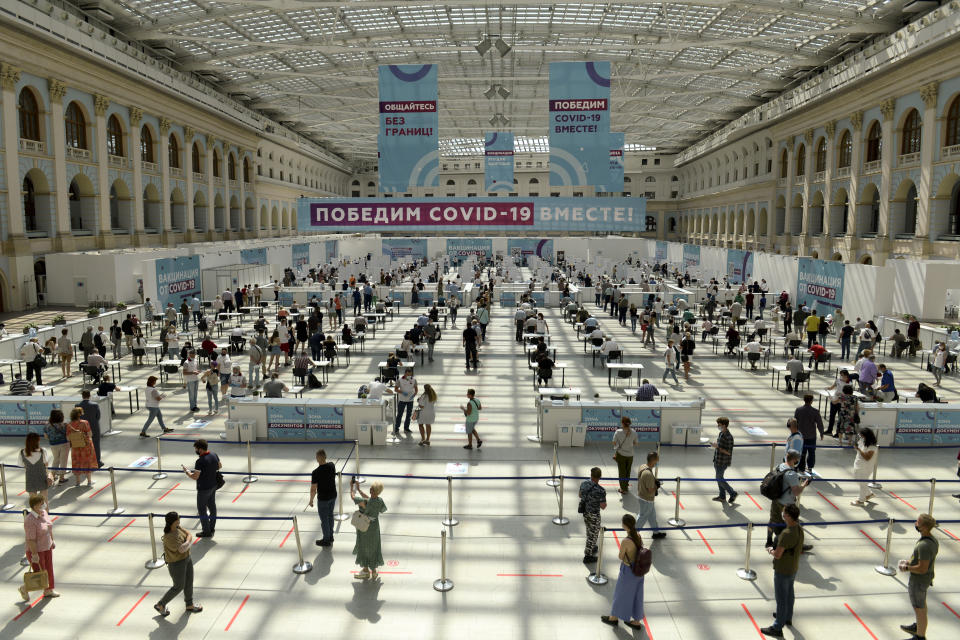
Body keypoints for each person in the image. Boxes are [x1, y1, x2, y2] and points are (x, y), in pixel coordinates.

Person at [760, 503, 804, 638]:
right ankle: (787, 617)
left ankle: (777, 626)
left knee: (781, 598)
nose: (783, 515)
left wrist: (770, 550)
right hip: (793, 567)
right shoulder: (799, 529)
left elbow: (778, 554)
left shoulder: (786, 534)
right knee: (790, 593)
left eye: (784, 513)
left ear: (789, 516)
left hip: (783, 569)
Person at [600, 514, 646, 630]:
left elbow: (621, 556)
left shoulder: (626, 541)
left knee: (620, 594)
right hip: (639, 571)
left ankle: (614, 618)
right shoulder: (638, 536)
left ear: (625, 525)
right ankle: (636, 621)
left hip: (628, 571)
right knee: (637, 595)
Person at [898, 513, 939, 640]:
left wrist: (906, 568)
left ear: (925, 527)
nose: (916, 524)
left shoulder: (924, 545)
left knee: (918, 608)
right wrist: (909, 562)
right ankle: (919, 626)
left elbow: (922, 568)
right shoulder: (932, 540)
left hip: (919, 581)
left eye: (918, 523)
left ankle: (920, 636)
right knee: (921, 606)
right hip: (925, 579)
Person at [153, 511, 201, 616]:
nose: (179, 521)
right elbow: (182, 549)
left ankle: (189, 604)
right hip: (177, 564)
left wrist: (188, 540)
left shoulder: (178, 528)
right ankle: (161, 604)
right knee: (178, 586)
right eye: (178, 519)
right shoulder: (169, 537)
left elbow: (188, 535)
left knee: (189, 582)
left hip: (187, 559)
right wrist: (189, 541)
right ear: (173, 521)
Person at [765, 452, 810, 548]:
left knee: (773, 520)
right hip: (786, 504)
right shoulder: (791, 474)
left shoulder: (780, 466)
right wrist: (804, 485)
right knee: (793, 524)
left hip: (775, 499)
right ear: (794, 460)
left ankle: (769, 540)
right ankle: (797, 546)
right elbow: (796, 492)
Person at [20, 494, 59, 601]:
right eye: (41, 504)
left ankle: (48, 590)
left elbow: (49, 528)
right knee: (39, 573)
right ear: (34, 506)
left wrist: (52, 540)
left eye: (43, 503)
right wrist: (34, 554)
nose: (43, 505)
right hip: (37, 550)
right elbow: (30, 539)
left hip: (47, 547)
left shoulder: (44, 513)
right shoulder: (30, 520)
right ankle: (25, 588)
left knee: (49, 569)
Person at [182, 439, 221, 538]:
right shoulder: (214, 454)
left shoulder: (200, 461)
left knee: (202, 509)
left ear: (200, 449)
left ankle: (206, 531)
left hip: (203, 488)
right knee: (212, 506)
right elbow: (219, 466)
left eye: (196, 448)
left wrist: (187, 472)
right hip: (214, 485)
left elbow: (195, 477)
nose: (195, 450)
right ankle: (212, 528)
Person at [350, 478, 386, 580]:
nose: (370, 490)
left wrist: (351, 487)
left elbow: (353, 497)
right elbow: (372, 501)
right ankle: (374, 571)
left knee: (364, 547)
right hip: (375, 528)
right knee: (374, 548)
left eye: (371, 489)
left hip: (365, 528)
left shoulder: (365, 503)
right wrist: (359, 490)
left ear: (373, 491)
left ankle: (366, 571)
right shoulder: (380, 501)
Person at [308, 449, 337, 547]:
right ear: (325, 457)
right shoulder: (332, 465)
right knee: (330, 516)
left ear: (318, 459)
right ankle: (331, 536)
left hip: (323, 499)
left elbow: (313, 489)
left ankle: (326, 539)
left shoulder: (315, 472)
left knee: (324, 519)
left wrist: (311, 500)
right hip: (333, 495)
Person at [578, 467, 607, 563]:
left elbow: (580, 495)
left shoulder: (584, 484)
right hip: (594, 514)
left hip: (585, 512)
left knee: (589, 530)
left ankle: (592, 547)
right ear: (600, 477)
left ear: (591, 475)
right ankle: (587, 556)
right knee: (593, 534)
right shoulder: (601, 491)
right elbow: (603, 506)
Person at [636, 451, 666, 539]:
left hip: (643, 496)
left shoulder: (643, 466)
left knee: (652, 516)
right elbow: (650, 490)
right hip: (647, 499)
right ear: (653, 461)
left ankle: (656, 533)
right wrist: (657, 486)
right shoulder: (648, 474)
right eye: (657, 461)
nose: (657, 463)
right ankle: (633, 535)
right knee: (642, 517)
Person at [794, 394, 824, 473]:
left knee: (801, 452)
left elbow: (795, 422)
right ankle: (810, 467)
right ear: (811, 401)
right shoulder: (815, 411)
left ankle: (801, 467)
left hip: (801, 435)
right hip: (811, 436)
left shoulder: (798, 410)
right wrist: (821, 433)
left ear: (804, 400)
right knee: (811, 452)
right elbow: (819, 423)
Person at [66, 407, 96, 487]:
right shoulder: (84, 422)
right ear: (79, 414)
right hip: (86, 446)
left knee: (77, 463)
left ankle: (78, 482)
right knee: (87, 462)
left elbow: (68, 438)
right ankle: (89, 481)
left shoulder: (69, 425)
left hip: (75, 447)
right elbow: (90, 434)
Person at [851, 427, 879, 505]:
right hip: (858, 464)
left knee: (862, 483)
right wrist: (857, 447)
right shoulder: (863, 441)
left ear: (867, 436)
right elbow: (858, 448)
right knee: (858, 480)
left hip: (865, 467)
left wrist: (859, 449)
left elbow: (867, 457)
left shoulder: (873, 447)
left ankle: (861, 500)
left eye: (862, 435)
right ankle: (869, 494)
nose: (861, 437)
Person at [712, 417, 737, 503]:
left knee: (719, 478)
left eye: (719, 424)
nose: (718, 426)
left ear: (724, 425)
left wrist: (717, 447)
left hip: (723, 462)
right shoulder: (721, 433)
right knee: (719, 478)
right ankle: (722, 496)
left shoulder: (728, 437)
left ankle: (732, 493)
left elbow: (729, 452)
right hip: (717, 460)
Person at [76, 390, 103, 468]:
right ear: (89, 395)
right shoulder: (95, 405)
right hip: (94, 427)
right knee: (96, 445)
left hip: (82, 429)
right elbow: (98, 416)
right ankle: (97, 462)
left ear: (82, 396)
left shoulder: (77, 405)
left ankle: (85, 462)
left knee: (84, 445)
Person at [20, 433, 50, 502]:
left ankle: (35, 513)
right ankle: (45, 513)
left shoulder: (22, 452)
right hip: (42, 477)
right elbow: (46, 463)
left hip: (30, 478)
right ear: (37, 441)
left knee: (33, 503)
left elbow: (21, 465)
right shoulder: (43, 451)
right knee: (44, 501)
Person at [611, 417, 638, 494]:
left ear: (622, 423)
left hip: (621, 455)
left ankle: (623, 489)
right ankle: (625, 485)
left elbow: (614, 442)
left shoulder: (618, 432)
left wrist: (619, 445)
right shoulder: (634, 432)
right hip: (630, 455)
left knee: (622, 472)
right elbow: (636, 443)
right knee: (628, 471)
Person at [393, 368, 417, 436]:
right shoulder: (399, 380)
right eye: (408, 374)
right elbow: (396, 389)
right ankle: (396, 428)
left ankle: (406, 428)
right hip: (402, 400)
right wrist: (402, 392)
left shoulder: (414, 380)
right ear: (405, 373)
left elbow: (416, 389)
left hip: (410, 400)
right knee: (399, 414)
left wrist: (414, 395)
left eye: (411, 374)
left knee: (408, 415)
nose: (409, 375)